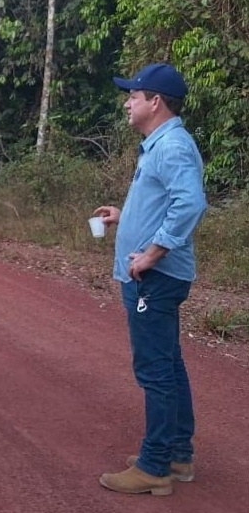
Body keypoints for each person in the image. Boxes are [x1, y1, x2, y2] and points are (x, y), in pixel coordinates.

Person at [94, 63, 207, 496]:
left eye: (134, 96)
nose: (128, 102)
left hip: (155, 279)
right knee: (169, 365)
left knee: (155, 370)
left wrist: (154, 251)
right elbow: (168, 203)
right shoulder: (159, 144)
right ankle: (177, 454)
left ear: (155, 102)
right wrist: (126, 218)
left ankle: (155, 466)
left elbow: (190, 204)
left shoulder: (171, 146)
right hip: (155, 277)